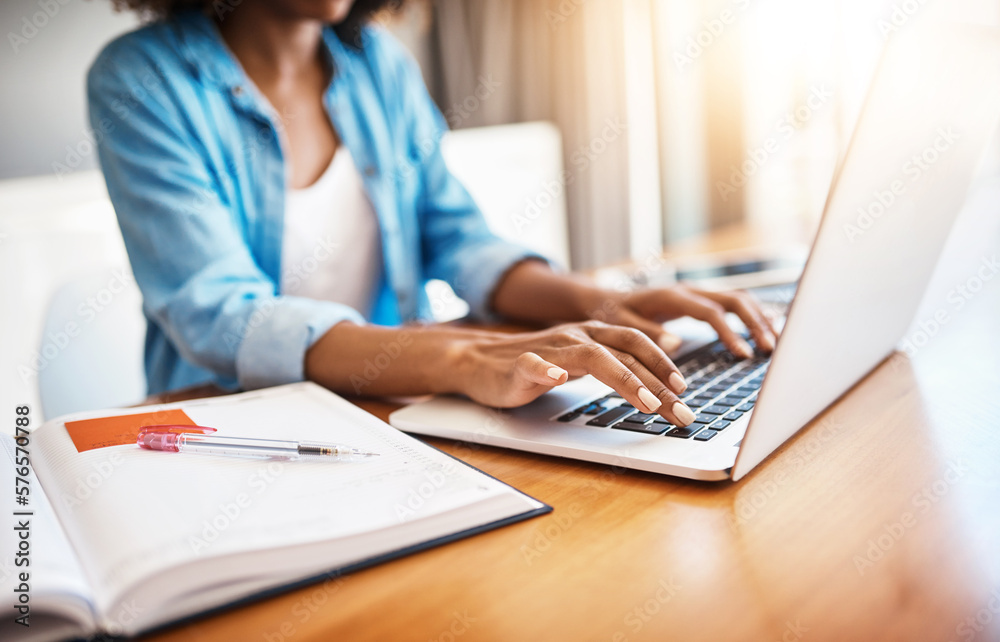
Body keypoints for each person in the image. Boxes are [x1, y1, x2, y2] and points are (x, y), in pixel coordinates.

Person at [89, 0, 776, 429]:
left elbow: (454, 233)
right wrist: (467, 354)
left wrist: (600, 302)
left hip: (386, 402)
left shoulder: (377, 64)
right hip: (228, 424)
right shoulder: (140, 79)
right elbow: (219, 313)